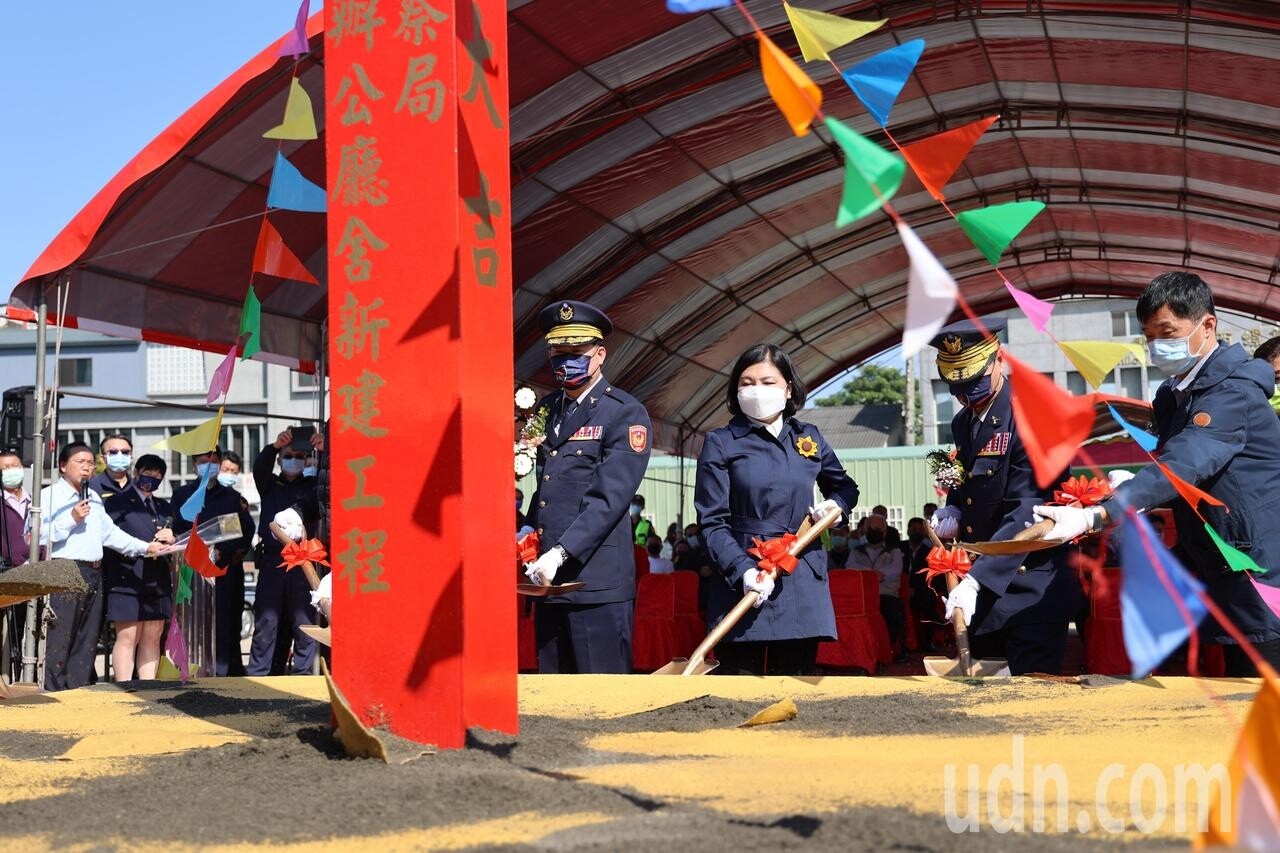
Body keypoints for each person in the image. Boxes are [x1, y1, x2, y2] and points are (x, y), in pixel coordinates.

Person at [1035, 272, 1280, 677]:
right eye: (1149, 336)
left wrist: (1100, 514)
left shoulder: (1230, 392)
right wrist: (1126, 487)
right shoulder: (1173, 394)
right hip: (1218, 561)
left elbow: (1186, 463)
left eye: (1167, 332)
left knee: (1263, 694)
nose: (1157, 346)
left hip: (1261, 567)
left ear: (1208, 325)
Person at [695, 343, 860, 676]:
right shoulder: (721, 442)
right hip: (744, 578)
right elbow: (711, 522)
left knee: (794, 684)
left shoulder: (808, 437)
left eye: (767, 382)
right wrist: (742, 570)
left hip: (799, 576)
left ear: (788, 389)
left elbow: (845, 487)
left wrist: (836, 505)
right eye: (747, 382)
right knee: (738, 690)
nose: (756, 390)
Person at [929, 319, 1080, 676]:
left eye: (972, 379)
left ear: (999, 359)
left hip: (1031, 589)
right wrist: (954, 505)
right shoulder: (964, 423)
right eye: (956, 384)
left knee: (1032, 705)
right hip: (985, 590)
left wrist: (977, 579)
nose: (965, 392)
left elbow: (1029, 508)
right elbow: (973, 483)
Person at [523, 300, 652, 674]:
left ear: (599, 354)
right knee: (556, 696)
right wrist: (530, 528)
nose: (565, 361)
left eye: (575, 352)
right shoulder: (549, 409)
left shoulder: (623, 412)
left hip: (595, 583)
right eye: (557, 352)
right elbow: (548, 484)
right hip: (548, 580)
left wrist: (561, 552)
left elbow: (610, 498)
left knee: (602, 694)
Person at [38, 443, 173, 690]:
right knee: (60, 636)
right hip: (63, 570)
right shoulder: (48, 497)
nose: (87, 468)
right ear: (63, 465)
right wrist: (71, 519)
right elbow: (36, 537)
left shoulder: (94, 498)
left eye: (90, 463)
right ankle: (53, 691)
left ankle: (78, 689)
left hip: (93, 571)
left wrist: (145, 547)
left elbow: (111, 535)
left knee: (87, 638)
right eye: (81, 462)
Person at [171, 446, 254, 677]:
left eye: (215, 459)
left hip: (223, 571)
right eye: (205, 459)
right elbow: (177, 529)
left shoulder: (232, 497)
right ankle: (189, 671)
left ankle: (224, 673)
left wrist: (226, 551)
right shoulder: (182, 495)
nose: (211, 464)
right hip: (190, 572)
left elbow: (243, 530)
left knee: (225, 624)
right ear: (194, 465)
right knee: (191, 625)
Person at [250, 430, 320, 675]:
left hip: (303, 561)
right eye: (288, 455)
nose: (294, 460)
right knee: (267, 621)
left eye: (299, 456)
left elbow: (331, 480)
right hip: (272, 561)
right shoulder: (269, 484)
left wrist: (322, 451)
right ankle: (259, 674)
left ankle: (304, 675)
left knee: (304, 621)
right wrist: (273, 447)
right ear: (280, 460)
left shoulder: (311, 485)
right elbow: (259, 468)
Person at [102, 454, 175, 680]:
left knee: (153, 637)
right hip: (128, 578)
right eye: (147, 473)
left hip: (158, 580)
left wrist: (173, 538)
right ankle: (123, 685)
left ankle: (148, 687)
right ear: (136, 472)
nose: (151, 478)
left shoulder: (164, 507)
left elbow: (179, 537)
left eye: (157, 475)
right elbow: (110, 538)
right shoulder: (116, 503)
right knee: (128, 636)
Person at [847, 513, 906, 657]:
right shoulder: (855, 552)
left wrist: (869, 575)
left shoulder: (894, 552)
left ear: (885, 532)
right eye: (871, 529)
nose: (874, 532)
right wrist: (874, 575)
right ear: (865, 531)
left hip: (886, 595)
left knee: (892, 611)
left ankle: (890, 649)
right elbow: (850, 568)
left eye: (878, 529)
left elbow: (895, 571)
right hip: (863, 598)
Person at [0, 451, 30, 570]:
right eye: (5, 467)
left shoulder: (36, 502)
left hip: (39, 571)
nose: (11, 470)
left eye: (15, 466)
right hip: (8, 573)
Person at [89, 434, 134, 502]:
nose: (120, 455)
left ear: (131, 457)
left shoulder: (138, 486)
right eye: (113, 452)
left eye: (125, 452)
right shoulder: (91, 486)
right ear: (102, 459)